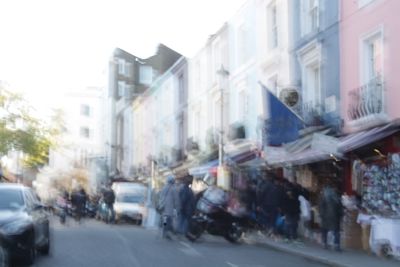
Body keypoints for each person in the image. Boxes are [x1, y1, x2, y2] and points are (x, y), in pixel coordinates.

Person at [319, 182, 343, 251]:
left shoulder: (323, 198)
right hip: (335, 217)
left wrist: (321, 215)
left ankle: (324, 243)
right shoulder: (336, 197)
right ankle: (336, 245)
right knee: (336, 231)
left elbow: (321, 207)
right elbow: (340, 208)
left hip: (325, 217)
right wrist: (340, 216)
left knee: (324, 230)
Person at [158, 175, 179, 239]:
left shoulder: (164, 187)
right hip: (170, 207)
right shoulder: (174, 188)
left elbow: (160, 196)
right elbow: (176, 199)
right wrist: (177, 206)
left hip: (163, 207)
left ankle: (164, 231)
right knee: (169, 220)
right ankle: (167, 232)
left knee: (165, 220)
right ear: (173, 181)